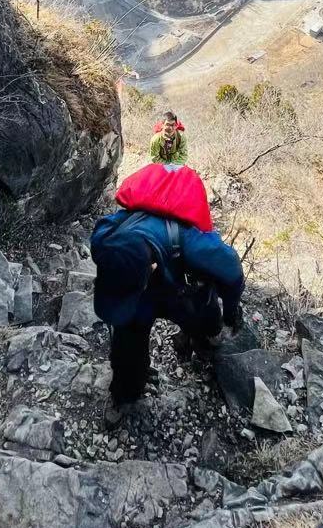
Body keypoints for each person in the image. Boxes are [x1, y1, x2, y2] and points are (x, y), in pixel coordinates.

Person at [91, 162, 244, 426]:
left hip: (179, 289)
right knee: (127, 345)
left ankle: (199, 340)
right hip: (141, 292)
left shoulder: (193, 244)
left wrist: (230, 311)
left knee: (207, 321)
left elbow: (232, 273)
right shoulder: (104, 238)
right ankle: (126, 391)